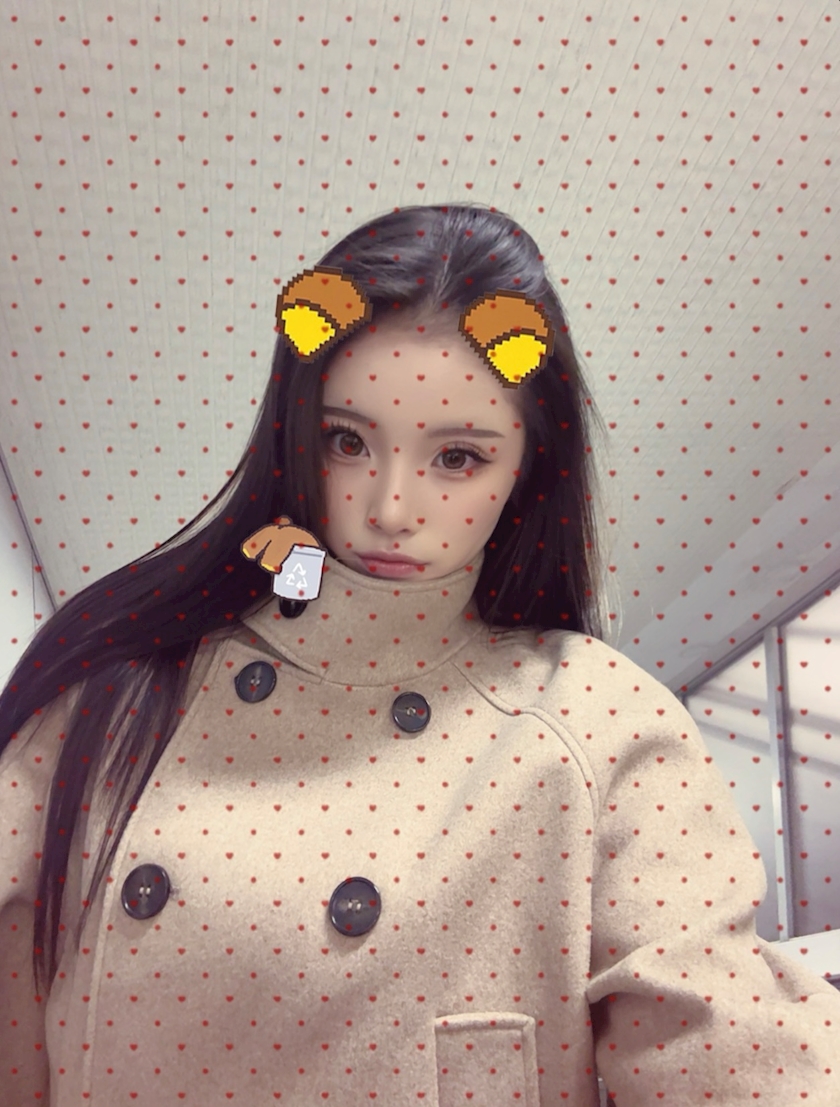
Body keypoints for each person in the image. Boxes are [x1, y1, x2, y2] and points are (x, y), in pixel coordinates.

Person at [1, 203, 837, 1106]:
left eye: (458, 457)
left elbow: (723, 1047)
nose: (391, 508)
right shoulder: (116, 683)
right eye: (346, 441)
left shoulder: (597, 727)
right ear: (294, 435)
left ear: (528, 465)